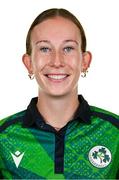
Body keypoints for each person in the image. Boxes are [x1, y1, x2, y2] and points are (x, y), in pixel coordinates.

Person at [0, 8, 119, 179]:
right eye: (45, 49)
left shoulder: (114, 132)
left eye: (68, 48)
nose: (57, 61)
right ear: (29, 63)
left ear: (84, 61)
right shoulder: (4, 136)